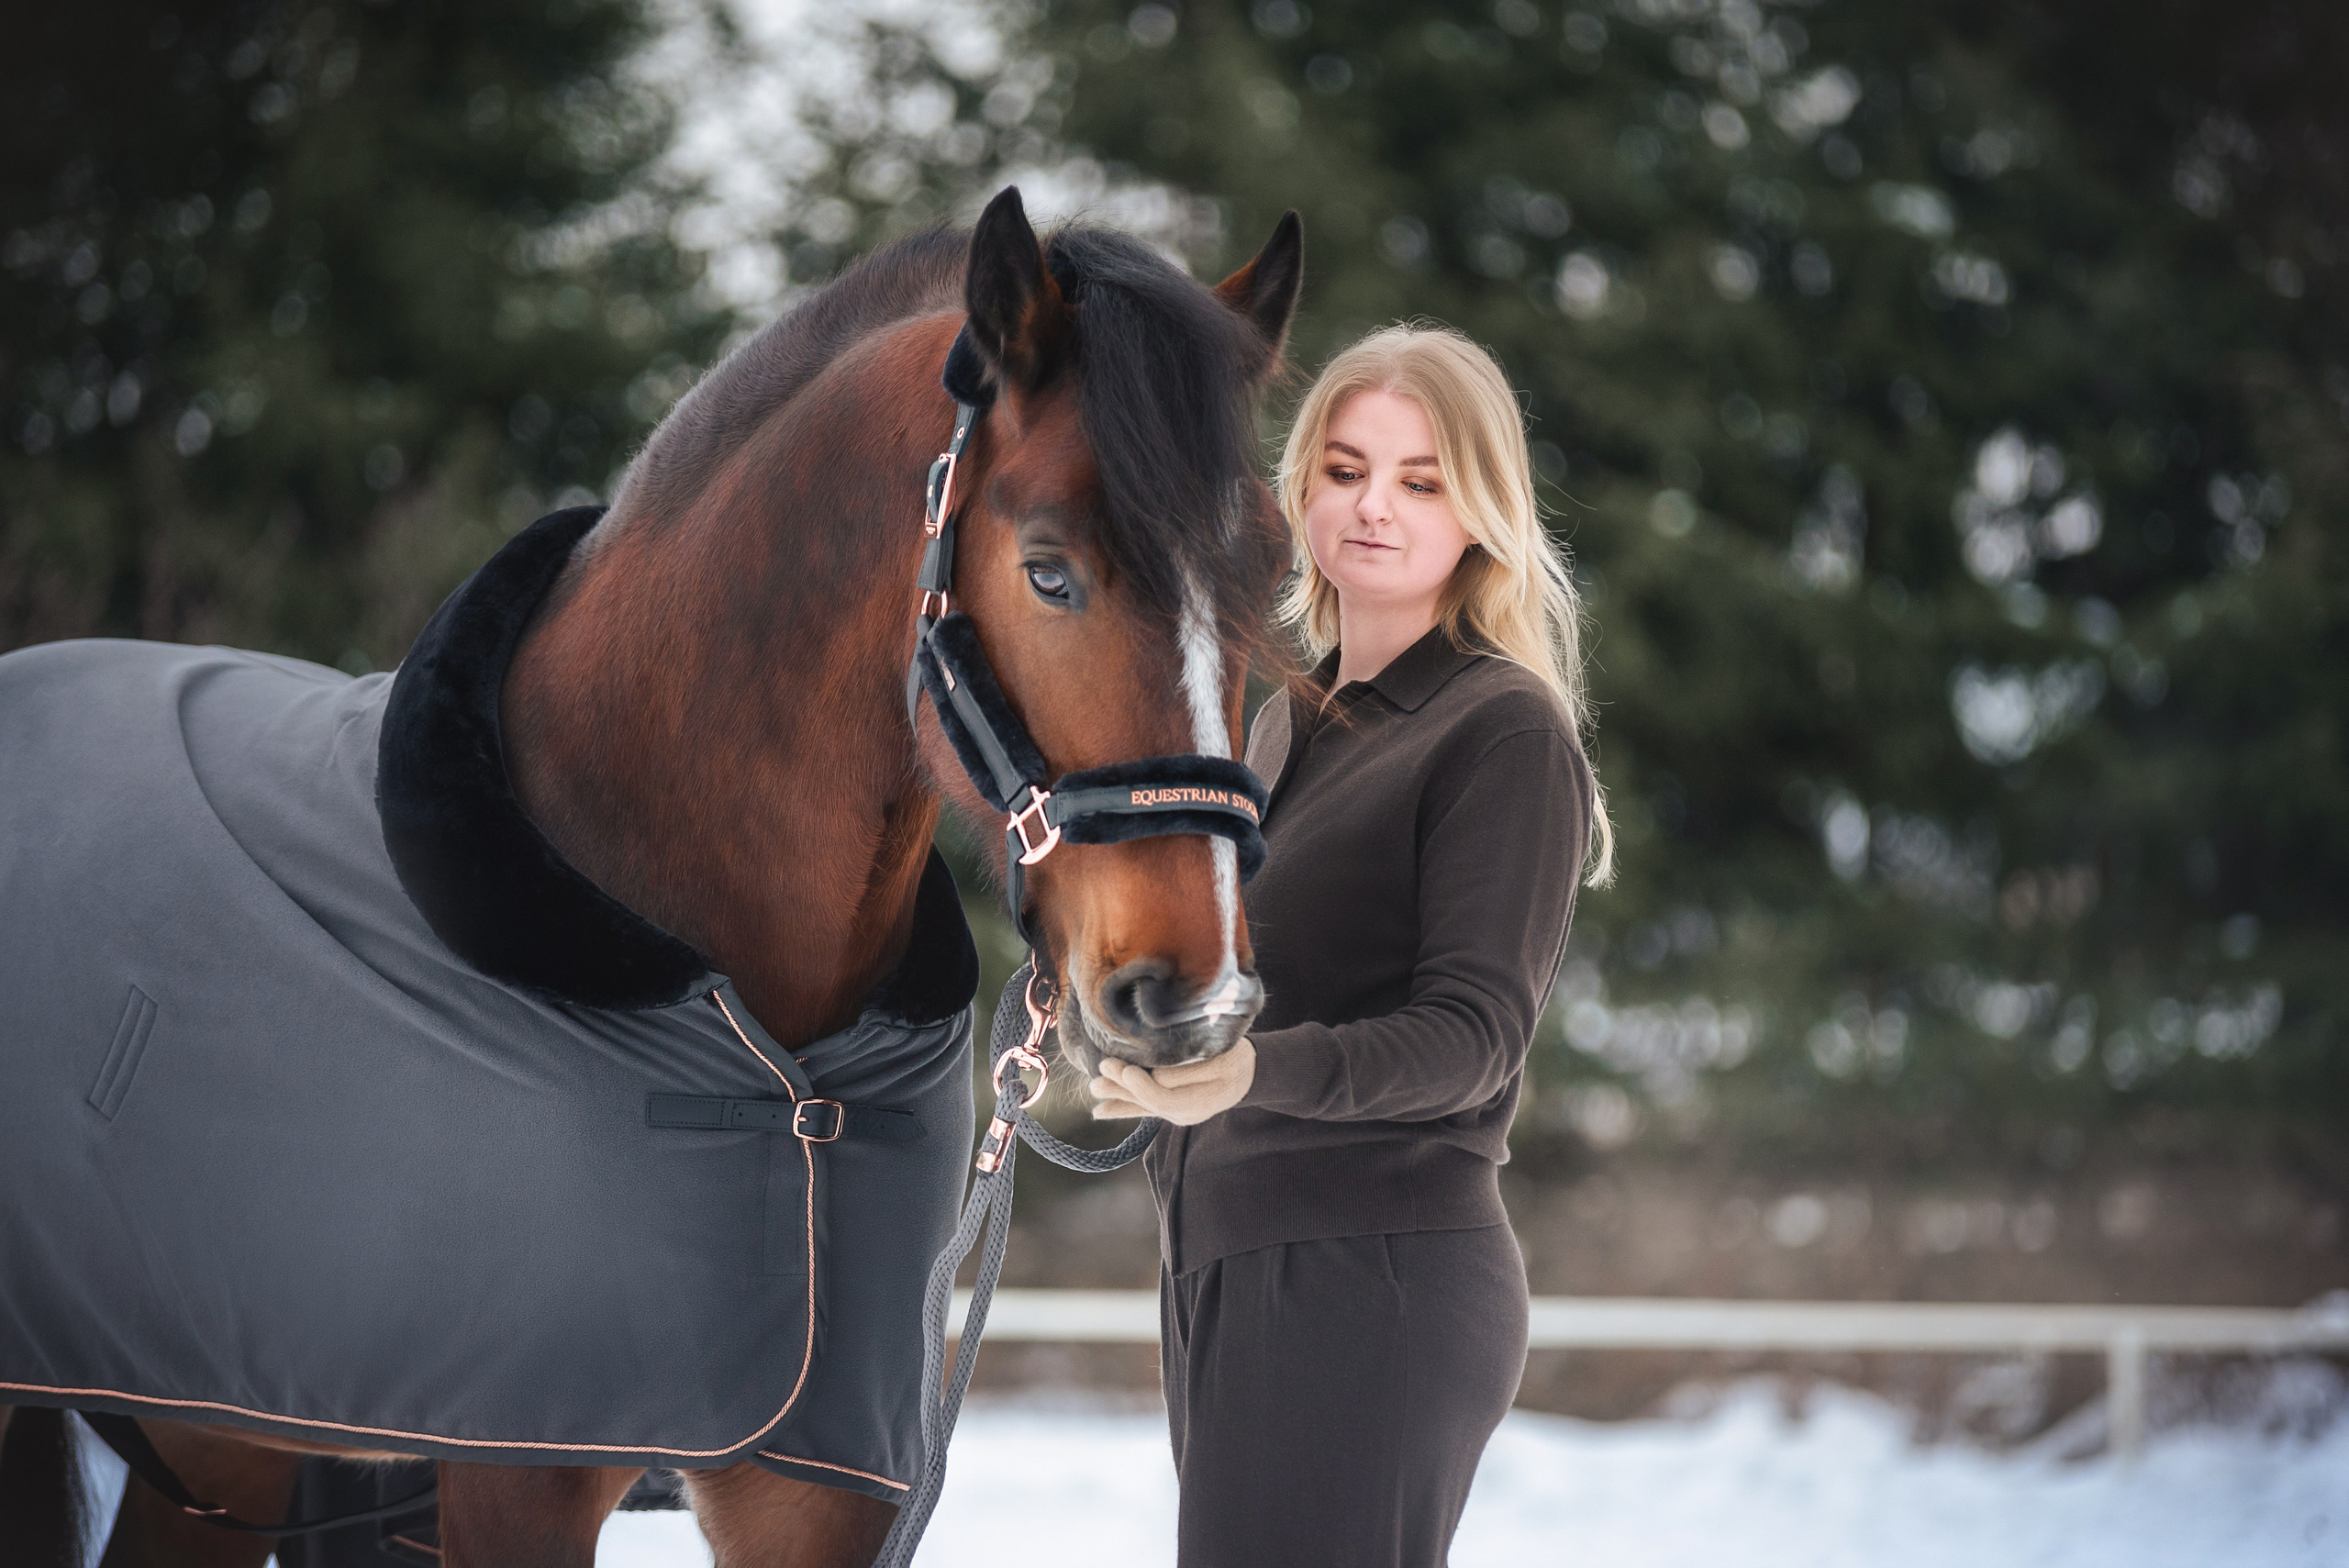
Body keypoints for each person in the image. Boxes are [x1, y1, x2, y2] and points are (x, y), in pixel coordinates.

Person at [1091, 322, 1614, 1566]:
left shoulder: (1500, 729)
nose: (1374, 504)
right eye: (1344, 468)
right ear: (1300, 491)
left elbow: (1472, 1041)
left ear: (1482, 508)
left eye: (1421, 479)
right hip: (1226, 1265)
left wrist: (1254, 1073)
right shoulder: (1277, 727)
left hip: (1368, 1276)